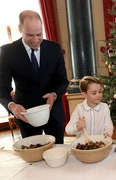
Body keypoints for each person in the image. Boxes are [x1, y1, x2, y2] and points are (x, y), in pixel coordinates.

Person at [0, 10, 69, 144]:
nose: (36, 40)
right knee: (33, 159)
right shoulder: (7, 52)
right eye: (30, 35)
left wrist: (54, 95)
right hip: (26, 115)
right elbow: (1, 89)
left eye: (39, 34)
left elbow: (63, 81)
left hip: (53, 114)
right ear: (20, 29)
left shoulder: (54, 49)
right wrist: (12, 106)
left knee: (58, 156)